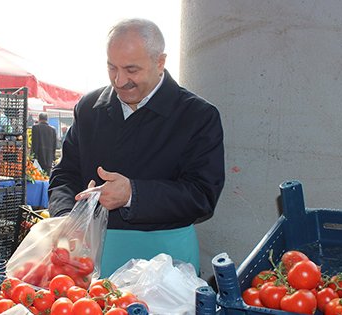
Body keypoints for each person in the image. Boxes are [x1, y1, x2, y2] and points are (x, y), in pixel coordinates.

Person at [48, 18, 225, 276]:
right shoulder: (88, 108)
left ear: (160, 62)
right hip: (88, 253)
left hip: (164, 261)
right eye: (112, 68)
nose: (120, 81)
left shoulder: (198, 115)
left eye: (132, 70)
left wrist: (133, 194)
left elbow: (202, 195)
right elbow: (65, 174)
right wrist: (67, 217)